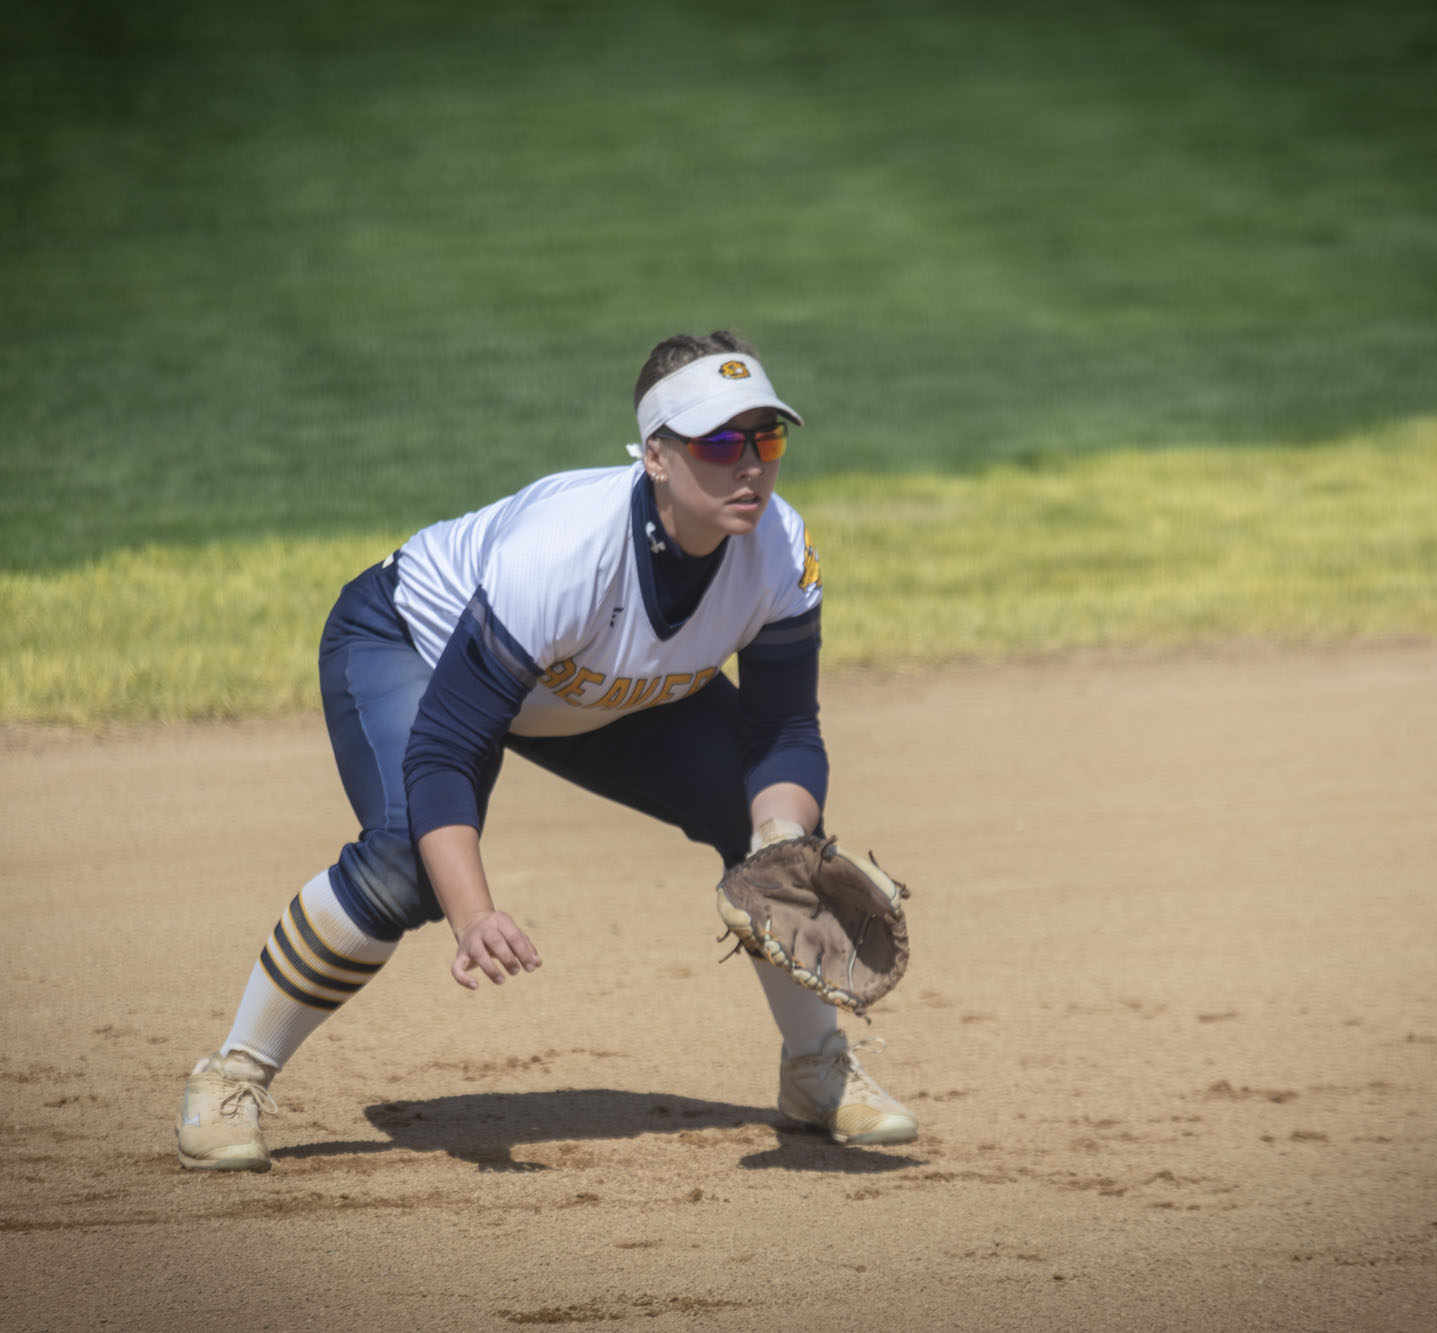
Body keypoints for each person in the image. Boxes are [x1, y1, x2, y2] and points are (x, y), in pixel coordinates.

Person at [174, 331, 918, 1171]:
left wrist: (783, 838)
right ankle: (231, 1074)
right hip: (412, 643)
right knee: (403, 863)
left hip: (602, 682)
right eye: (719, 441)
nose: (749, 463)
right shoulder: (565, 553)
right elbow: (445, 749)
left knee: (775, 850)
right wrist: (472, 911)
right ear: (658, 459)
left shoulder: (779, 548)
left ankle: (816, 1069)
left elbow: (783, 731)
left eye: (767, 438)